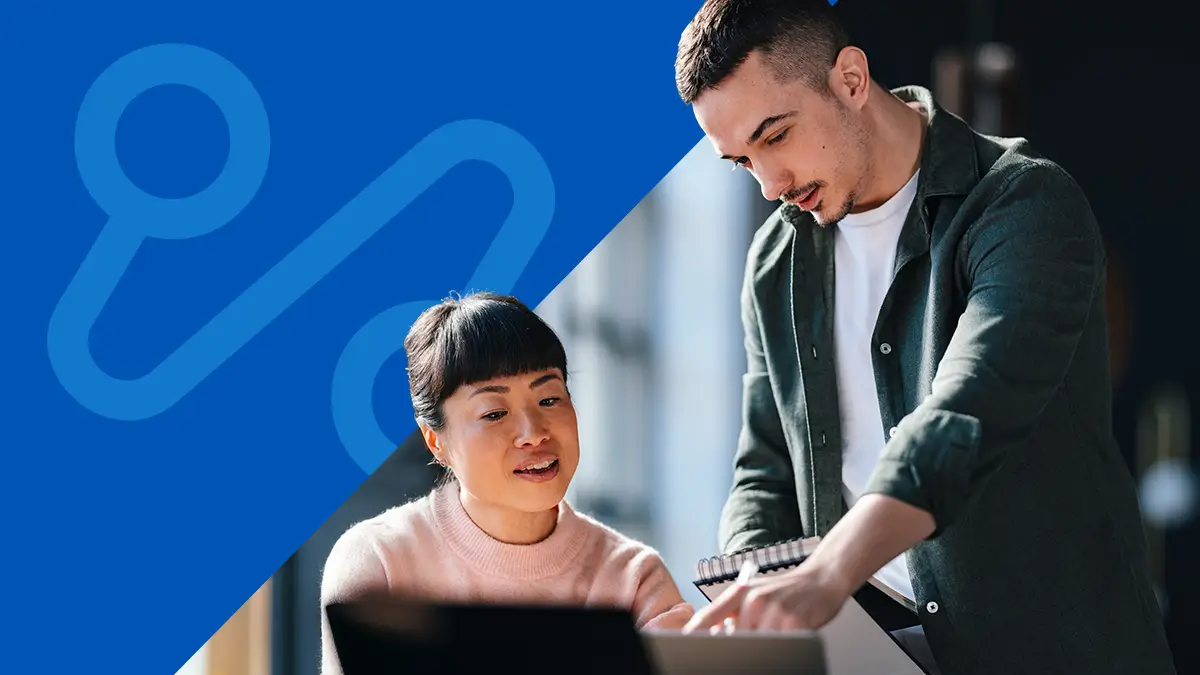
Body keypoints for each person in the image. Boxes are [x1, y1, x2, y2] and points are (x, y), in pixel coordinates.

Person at [672, 1, 1176, 674]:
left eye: (776, 135)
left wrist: (827, 574)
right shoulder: (776, 264)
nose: (770, 184)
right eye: (740, 161)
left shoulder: (1026, 207)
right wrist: (752, 598)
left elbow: (964, 415)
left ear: (850, 79)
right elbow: (766, 469)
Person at [319, 292, 693, 675]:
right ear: (437, 441)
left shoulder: (634, 579)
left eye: (549, 399)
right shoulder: (380, 562)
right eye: (495, 413)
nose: (532, 433)